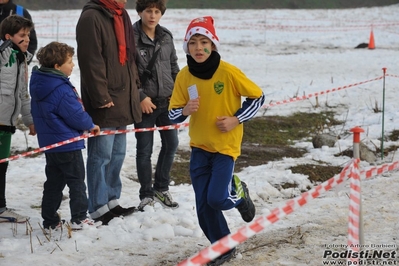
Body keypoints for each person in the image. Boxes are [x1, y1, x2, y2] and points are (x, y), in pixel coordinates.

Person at [168, 16, 265, 265]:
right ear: (187, 47)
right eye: (193, 43)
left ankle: (240, 195)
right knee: (203, 207)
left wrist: (236, 119)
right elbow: (171, 114)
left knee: (217, 199)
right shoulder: (184, 76)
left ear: (213, 44)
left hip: (225, 147)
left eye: (204, 42)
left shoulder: (228, 72)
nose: (198, 48)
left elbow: (258, 98)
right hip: (199, 147)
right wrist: (185, 111)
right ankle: (224, 248)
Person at [76, 0, 142, 225]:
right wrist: (101, 96)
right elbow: (90, 60)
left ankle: (112, 200)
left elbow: (129, 58)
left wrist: (135, 91)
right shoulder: (92, 17)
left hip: (124, 96)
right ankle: (97, 206)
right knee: (101, 155)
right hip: (105, 99)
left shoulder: (121, 14)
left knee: (118, 154)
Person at [30, 41, 102, 231]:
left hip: (51, 145)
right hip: (67, 145)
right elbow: (75, 115)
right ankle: (79, 218)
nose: (72, 65)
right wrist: (90, 125)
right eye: (69, 62)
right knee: (77, 182)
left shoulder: (39, 84)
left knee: (53, 182)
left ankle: (50, 220)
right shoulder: (60, 88)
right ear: (57, 67)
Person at [133, 0, 180, 211]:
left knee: (171, 145)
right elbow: (128, 72)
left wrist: (178, 95)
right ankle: (146, 194)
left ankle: (162, 188)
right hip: (145, 105)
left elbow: (173, 67)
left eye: (156, 11)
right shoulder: (131, 37)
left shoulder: (166, 36)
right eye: (148, 11)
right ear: (140, 12)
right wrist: (140, 96)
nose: (152, 15)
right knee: (144, 150)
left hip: (168, 103)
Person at [0, 15, 35, 223]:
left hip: (8, 123)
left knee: (2, 165)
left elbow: (23, 93)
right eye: (22, 35)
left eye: (28, 35)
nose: (27, 39)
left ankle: (1, 207)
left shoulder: (22, 60)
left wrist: (30, 119)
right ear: (8, 37)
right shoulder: (3, 56)